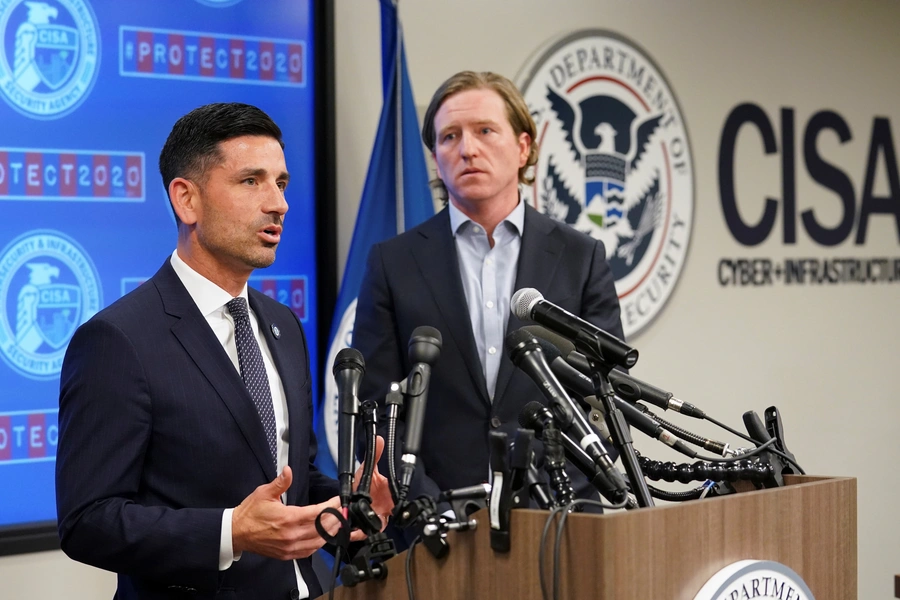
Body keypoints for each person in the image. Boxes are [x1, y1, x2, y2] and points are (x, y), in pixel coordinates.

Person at [56, 102, 392, 599]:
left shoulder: (283, 325)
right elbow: (88, 521)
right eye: (251, 181)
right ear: (186, 199)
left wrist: (349, 503)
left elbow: (289, 475)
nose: (278, 203)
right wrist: (230, 532)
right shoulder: (118, 340)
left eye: (281, 183)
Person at [352, 71, 625, 520]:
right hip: (434, 529)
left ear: (522, 147)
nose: (467, 149)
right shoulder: (393, 263)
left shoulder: (581, 257)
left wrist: (557, 502)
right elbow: (376, 409)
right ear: (436, 158)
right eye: (449, 137)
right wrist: (428, 508)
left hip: (562, 521)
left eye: (484, 131)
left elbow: (603, 401)